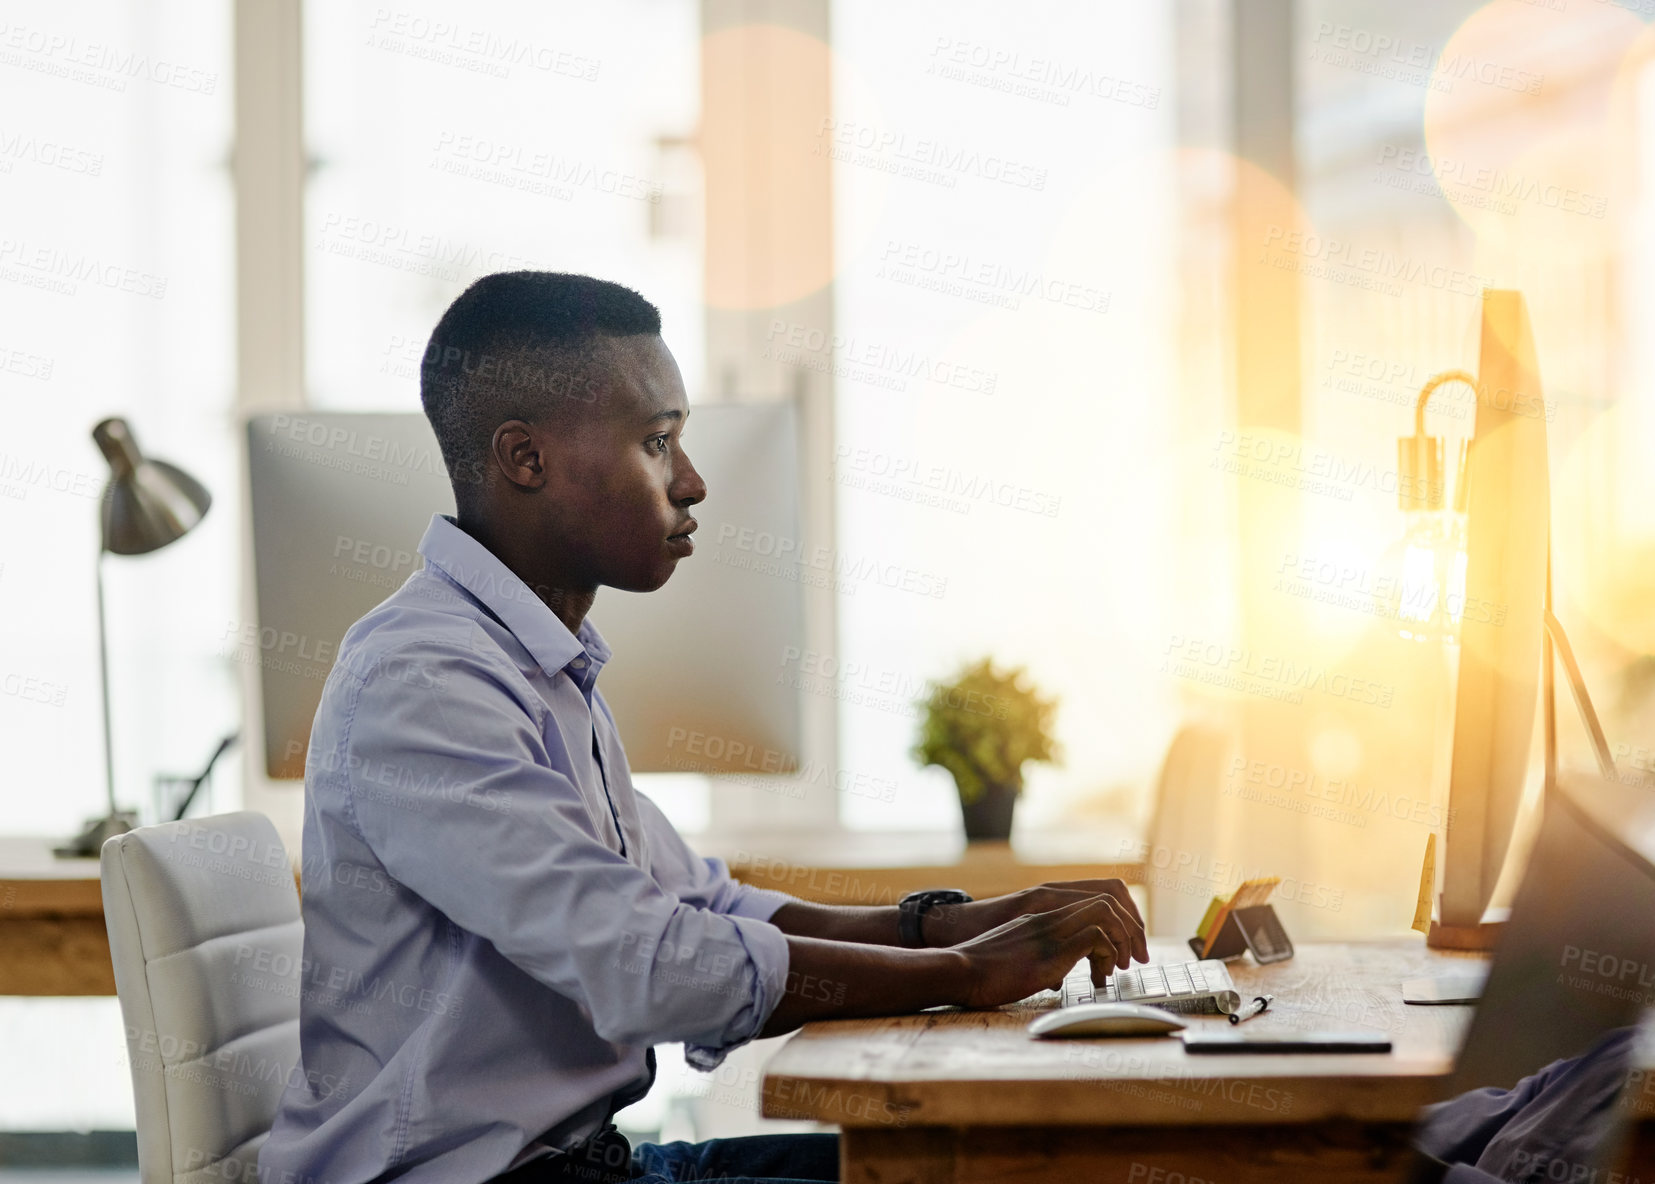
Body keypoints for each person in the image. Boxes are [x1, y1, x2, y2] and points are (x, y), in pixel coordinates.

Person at [258, 271, 1147, 1184]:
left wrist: (955, 926)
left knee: (973, 1165)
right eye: (656, 442)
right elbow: (646, 961)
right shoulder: (427, 678)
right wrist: (965, 973)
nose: (692, 481)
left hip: (581, 1167)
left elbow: (707, 908)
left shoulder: (537, 664)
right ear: (524, 460)